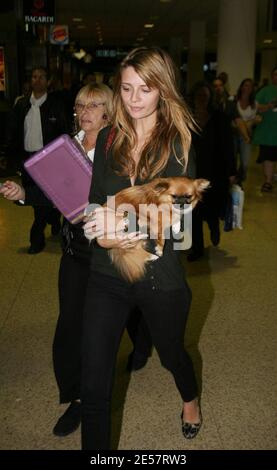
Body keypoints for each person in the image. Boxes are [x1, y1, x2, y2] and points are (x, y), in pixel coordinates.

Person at [0, 83, 151, 437]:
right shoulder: (66, 146)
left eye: (95, 104)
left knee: (106, 324)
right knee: (70, 326)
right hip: (75, 250)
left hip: (108, 250)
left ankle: (140, 340)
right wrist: (24, 195)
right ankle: (76, 396)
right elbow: (54, 193)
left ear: (109, 111)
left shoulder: (120, 149)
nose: (86, 111)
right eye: (81, 105)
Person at [81, 46, 202, 450]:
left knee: (172, 357)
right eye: (127, 88)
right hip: (107, 272)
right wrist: (97, 226)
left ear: (163, 91)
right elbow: (96, 198)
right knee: (95, 383)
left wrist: (121, 226)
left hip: (159, 275)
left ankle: (190, 398)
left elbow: (181, 231)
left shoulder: (179, 145)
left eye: (145, 89)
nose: (133, 99)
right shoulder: (110, 137)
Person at [5, 66, 71, 253]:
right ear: (30, 80)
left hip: (50, 161)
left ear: (48, 81)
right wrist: (12, 159)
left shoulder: (56, 105)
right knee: (36, 198)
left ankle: (36, 238)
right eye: (34, 77)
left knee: (41, 201)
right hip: (28, 161)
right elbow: (13, 133)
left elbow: (64, 133)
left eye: (42, 77)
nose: (38, 80)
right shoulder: (22, 105)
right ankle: (53, 217)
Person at [187, 81, 236, 261]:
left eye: (205, 96)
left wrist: (232, 171)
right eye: (198, 96)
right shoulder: (187, 117)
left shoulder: (219, 118)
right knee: (194, 211)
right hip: (193, 172)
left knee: (212, 207)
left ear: (210, 98)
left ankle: (214, 224)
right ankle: (197, 249)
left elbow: (228, 146)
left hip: (216, 171)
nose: (201, 99)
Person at [252, 67, 277, 192]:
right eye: (275, 75)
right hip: (268, 133)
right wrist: (267, 106)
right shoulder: (265, 91)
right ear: (272, 77)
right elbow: (255, 107)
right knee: (268, 157)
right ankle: (268, 181)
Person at [232, 78, 259, 186]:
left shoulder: (254, 104)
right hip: (233, 134)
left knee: (245, 162)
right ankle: (234, 182)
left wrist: (250, 122)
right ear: (242, 86)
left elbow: (255, 120)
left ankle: (240, 180)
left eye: (250, 86)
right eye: (245, 85)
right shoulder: (234, 100)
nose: (247, 88)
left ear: (252, 89)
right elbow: (232, 118)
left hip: (246, 135)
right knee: (232, 160)